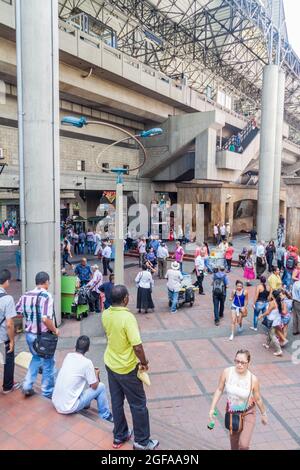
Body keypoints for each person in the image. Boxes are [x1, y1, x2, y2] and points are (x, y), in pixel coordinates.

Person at [102, 285, 159, 450]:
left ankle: (119, 436)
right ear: (125, 299)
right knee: (138, 404)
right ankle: (142, 442)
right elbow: (137, 346)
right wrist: (144, 362)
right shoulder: (128, 318)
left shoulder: (105, 314)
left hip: (111, 364)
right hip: (127, 368)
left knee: (117, 401)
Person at [209, 349, 268, 451]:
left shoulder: (253, 379)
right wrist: (212, 408)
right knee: (234, 444)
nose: (239, 365)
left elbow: (258, 399)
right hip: (232, 413)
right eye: (237, 361)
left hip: (248, 412)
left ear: (249, 363)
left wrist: (264, 414)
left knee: (244, 445)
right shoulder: (227, 372)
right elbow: (219, 389)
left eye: (243, 362)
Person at [16, 272, 59, 398]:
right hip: (43, 336)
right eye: (49, 282)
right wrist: (55, 330)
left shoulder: (25, 295)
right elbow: (46, 319)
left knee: (35, 358)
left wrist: (30, 318)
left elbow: (18, 311)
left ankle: (27, 385)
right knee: (48, 363)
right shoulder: (46, 296)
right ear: (46, 282)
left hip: (29, 335)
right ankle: (47, 392)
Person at [52, 336, 113, 422]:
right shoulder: (87, 363)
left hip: (56, 401)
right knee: (101, 387)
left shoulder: (68, 356)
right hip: (68, 407)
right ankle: (105, 415)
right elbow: (95, 386)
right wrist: (96, 374)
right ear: (88, 349)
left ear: (75, 346)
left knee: (78, 382)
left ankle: (85, 404)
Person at [0, 269, 20, 394]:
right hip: (2, 337)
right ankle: (8, 386)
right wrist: (12, 340)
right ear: (7, 281)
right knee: (8, 359)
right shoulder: (7, 299)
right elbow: (9, 324)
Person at [259, 290, 286, 356]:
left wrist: (261, 316)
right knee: (271, 332)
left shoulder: (272, 303)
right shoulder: (280, 302)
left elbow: (268, 312)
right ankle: (267, 344)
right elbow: (282, 311)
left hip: (272, 320)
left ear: (273, 296)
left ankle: (279, 350)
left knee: (272, 335)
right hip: (277, 320)